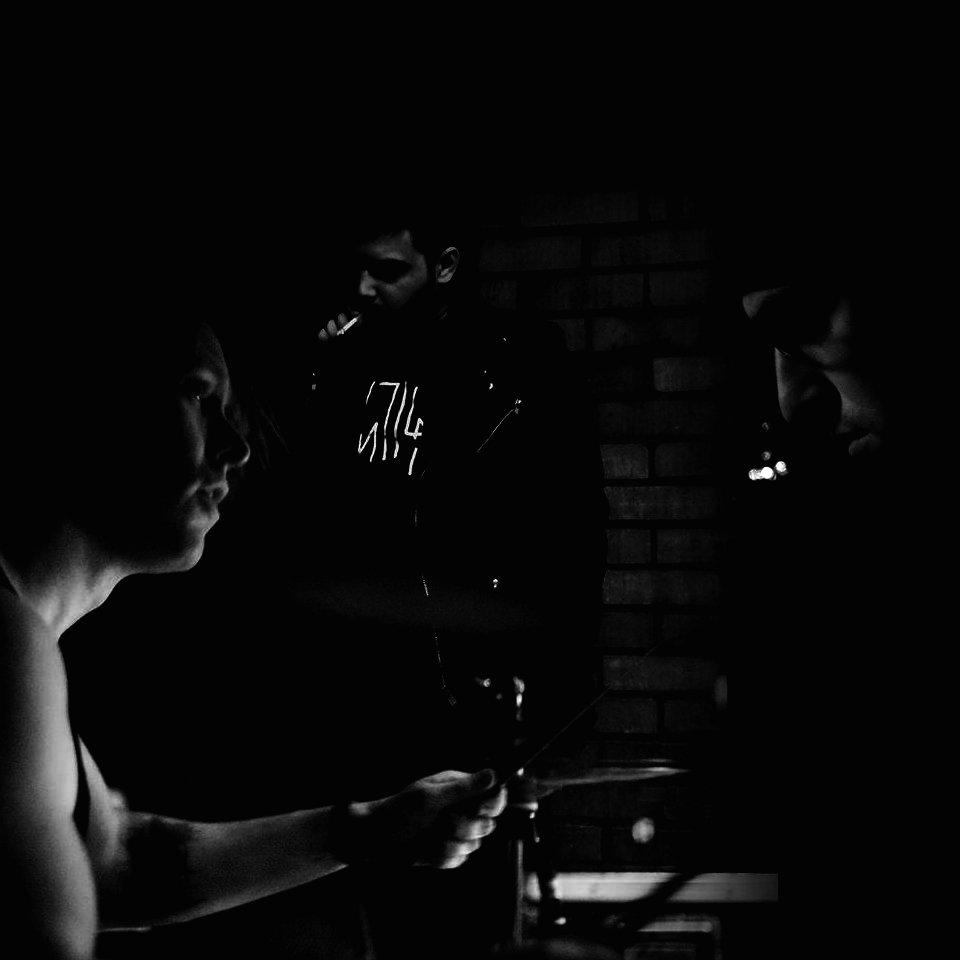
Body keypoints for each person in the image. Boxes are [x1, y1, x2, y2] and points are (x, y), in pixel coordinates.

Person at [0, 318, 507, 960]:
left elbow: (118, 862)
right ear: (86, 406)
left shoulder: (23, 644)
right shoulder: (7, 645)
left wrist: (366, 830)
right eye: (198, 395)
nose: (236, 448)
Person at [240, 188, 607, 957]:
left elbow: (566, 542)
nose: (363, 288)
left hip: (462, 703)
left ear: (444, 267)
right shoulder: (336, 367)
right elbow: (298, 517)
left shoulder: (512, 368)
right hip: (350, 703)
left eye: (387, 271)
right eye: (357, 271)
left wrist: (548, 702)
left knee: (459, 922)